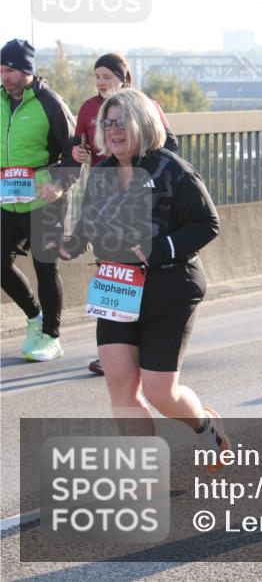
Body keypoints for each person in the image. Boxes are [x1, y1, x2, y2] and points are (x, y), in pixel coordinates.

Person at [49, 88, 229, 468]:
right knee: (119, 383)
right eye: (107, 123)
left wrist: (160, 247)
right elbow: (88, 225)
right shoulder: (101, 172)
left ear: (142, 124)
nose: (113, 130)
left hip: (170, 285)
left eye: (121, 122)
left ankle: (204, 424)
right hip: (117, 285)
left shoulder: (171, 169)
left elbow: (207, 223)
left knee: (160, 392)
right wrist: (68, 245)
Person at [69, 52, 179, 375]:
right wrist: (78, 152)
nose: (101, 82)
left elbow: (171, 146)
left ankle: (142, 348)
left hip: (139, 199)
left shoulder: (145, 105)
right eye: (97, 76)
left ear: (123, 79)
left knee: (136, 271)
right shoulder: (88, 108)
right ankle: (112, 353)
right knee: (112, 273)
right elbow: (76, 145)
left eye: (107, 76)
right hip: (104, 197)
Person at [1, 38, 77, 362]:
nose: (5, 77)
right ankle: (35, 318)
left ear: (26, 70)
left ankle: (51, 337)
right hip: (7, 199)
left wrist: (60, 184)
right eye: (1, 70)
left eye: (10, 70)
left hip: (45, 199)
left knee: (45, 267)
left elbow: (75, 150)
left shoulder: (50, 103)